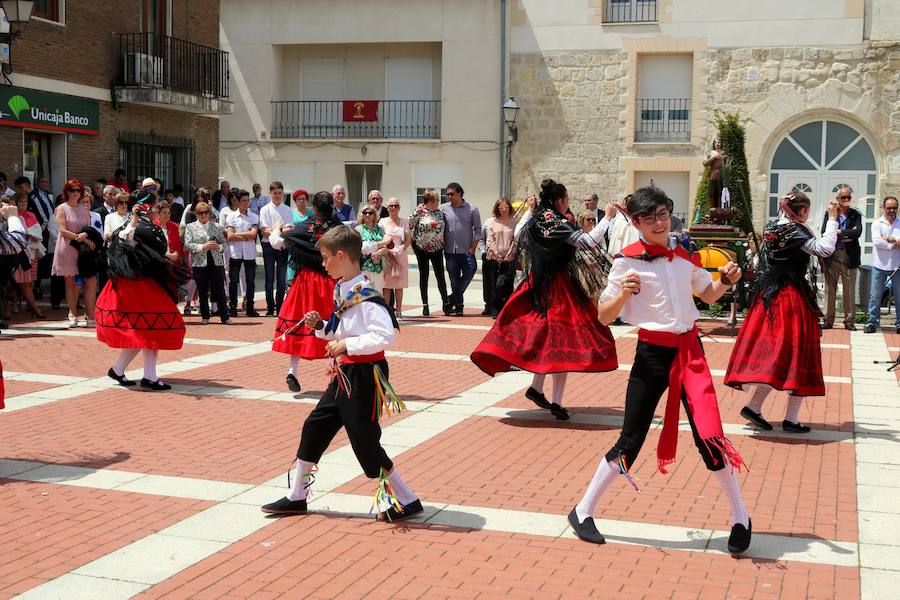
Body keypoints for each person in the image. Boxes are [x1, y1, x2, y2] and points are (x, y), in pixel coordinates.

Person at [570, 185, 751, 555]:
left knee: (709, 436)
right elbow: (604, 317)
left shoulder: (685, 254)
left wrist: (727, 280)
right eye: (649, 218)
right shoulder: (626, 260)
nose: (658, 222)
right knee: (631, 439)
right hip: (651, 354)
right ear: (635, 222)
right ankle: (583, 510)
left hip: (690, 353)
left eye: (663, 214)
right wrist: (623, 294)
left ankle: (740, 517)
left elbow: (710, 294)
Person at [260, 226, 422, 521]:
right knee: (315, 427)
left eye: (324, 258)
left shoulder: (367, 294)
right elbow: (340, 330)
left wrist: (347, 344)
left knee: (364, 441)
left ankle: (408, 499)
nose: (322, 264)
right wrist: (320, 325)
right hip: (346, 374)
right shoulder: (344, 289)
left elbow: (385, 336)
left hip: (364, 375)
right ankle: (297, 496)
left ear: (341, 256)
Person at [471, 179, 617, 421]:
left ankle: (538, 389)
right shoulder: (557, 221)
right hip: (558, 287)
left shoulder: (538, 218)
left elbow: (518, 234)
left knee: (545, 341)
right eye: (567, 201)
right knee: (562, 342)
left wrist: (529, 211)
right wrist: (608, 218)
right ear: (560, 201)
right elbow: (587, 242)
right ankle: (555, 401)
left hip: (536, 284)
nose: (567, 205)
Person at [726, 192, 839, 433]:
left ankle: (756, 408)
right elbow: (825, 248)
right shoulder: (795, 231)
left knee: (779, 356)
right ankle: (790, 418)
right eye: (806, 210)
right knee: (799, 355)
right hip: (791, 298)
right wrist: (832, 218)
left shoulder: (775, 227)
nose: (807, 215)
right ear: (801, 211)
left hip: (771, 296)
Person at [96, 195, 185, 391]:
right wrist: (134, 219)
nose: (151, 210)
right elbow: (125, 238)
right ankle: (150, 377)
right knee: (153, 326)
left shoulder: (152, 228)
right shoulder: (132, 225)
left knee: (143, 329)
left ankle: (118, 370)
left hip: (146, 284)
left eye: (151, 207)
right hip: (135, 286)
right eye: (148, 207)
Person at [269, 191, 342, 392]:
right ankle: (334, 374)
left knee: (301, 323)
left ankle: (292, 371)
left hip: (306, 282)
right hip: (330, 281)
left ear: (315, 207)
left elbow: (277, 243)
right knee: (334, 326)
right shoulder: (337, 228)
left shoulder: (305, 227)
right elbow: (359, 248)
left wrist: (276, 230)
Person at [52, 179, 97, 328]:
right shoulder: (61, 208)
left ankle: (90, 315)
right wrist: (83, 239)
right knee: (70, 283)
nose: (75, 193)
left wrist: (86, 238)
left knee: (88, 281)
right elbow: (63, 230)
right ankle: (73, 314)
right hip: (67, 248)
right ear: (67, 192)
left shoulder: (84, 209)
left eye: (78, 190)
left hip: (83, 252)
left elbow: (89, 229)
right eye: (72, 190)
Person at [820, 185, 862, 330]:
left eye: (848, 197)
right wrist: (847, 234)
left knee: (849, 289)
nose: (846, 200)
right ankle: (828, 319)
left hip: (849, 256)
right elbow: (825, 232)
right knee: (830, 288)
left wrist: (839, 232)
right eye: (843, 197)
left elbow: (857, 234)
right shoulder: (830, 213)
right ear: (837, 199)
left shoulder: (855, 214)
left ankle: (849, 321)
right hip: (832, 255)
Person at [184, 201, 231, 325]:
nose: (204, 215)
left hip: (216, 261)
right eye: (201, 213)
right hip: (200, 262)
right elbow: (188, 244)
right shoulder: (191, 227)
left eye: (206, 212)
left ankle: (225, 317)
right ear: (196, 214)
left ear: (209, 213)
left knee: (219, 289)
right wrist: (202, 246)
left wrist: (218, 247)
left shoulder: (217, 226)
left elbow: (224, 243)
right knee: (202, 290)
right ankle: (205, 316)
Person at [440, 182, 481, 315]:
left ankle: (451, 300)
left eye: (451, 194)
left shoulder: (472, 209)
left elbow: (478, 229)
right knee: (454, 280)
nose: (449, 197)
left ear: (459, 193)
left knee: (471, 270)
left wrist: (473, 247)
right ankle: (458, 306)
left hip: (467, 251)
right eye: (447, 194)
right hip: (450, 252)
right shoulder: (443, 209)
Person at [408, 188, 449, 316]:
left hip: (437, 248)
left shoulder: (440, 213)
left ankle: (445, 303)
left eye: (438, 199)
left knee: (440, 276)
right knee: (424, 276)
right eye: (436, 199)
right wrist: (413, 243)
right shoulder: (419, 211)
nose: (438, 202)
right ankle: (425, 305)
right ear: (429, 201)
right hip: (422, 248)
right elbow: (409, 224)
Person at [865, 196, 900, 334]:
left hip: (897, 266)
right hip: (879, 265)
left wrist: (890, 239)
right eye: (889, 208)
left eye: (894, 207)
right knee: (875, 296)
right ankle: (872, 322)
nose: (892, 210)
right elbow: (877, 242)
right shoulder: (877, 223)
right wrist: (895, 245)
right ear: (883, 208)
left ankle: (899, 324)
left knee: (899, 296)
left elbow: (884, 241)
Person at [259, 181, 294, 317]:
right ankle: (270, 307)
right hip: (268, 245)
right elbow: (263, 230)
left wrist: (276, 230)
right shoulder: (265, 209)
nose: (277, 196)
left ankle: (280, 307)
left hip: (282, 245)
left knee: (281, 278)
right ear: (270, 194)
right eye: (275, 193)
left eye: (280, 193)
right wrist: (279, 229)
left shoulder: (287, 209)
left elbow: (289, 228)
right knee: (269, 278)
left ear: (282, 193)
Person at [28, 175, 62, 309]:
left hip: (48, 228)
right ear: (38, 182)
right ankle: (36, 287)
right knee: (40, 260)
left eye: (47, 182)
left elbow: (49, 210)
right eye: (43, 181)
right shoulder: (34, 195)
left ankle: (38, 286)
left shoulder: (48, 195)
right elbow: (43, 215)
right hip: (43, 231)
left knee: (44, 260)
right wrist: (42, 230)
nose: (45, 184)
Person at [226, 189, 260, 317]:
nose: (246, 203)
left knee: (250, 281)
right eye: (244, 201)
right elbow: (229, 236)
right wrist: (246, 235)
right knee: (233, 281)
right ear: (238, 202)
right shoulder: (231, 217)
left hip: (250, 254)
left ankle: (250, 307)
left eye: (248, 200)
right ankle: (233, 307)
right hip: (235, 253)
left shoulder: (254, 216)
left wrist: (237, 234)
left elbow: (253, 234)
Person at [11, 192, 45, 319]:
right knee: (21, 280)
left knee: (29, 280)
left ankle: (28, 305)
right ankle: (31, 307)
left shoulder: (31, 215)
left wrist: (30, 234)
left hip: (32, 251)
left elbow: (38, 232)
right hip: (19, 251)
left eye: (25, 201)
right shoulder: (13, 216)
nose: (24, 203)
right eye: (21, 201)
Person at [484, 198, 517, 318]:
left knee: (507, 284)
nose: (503, 210)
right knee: (495, 285)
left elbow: (515, 240)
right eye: (501, 207)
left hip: (509, 259)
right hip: (494, 258)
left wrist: (509, 254)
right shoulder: (492, 222)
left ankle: (507, 309)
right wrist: (497, 254)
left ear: (509, 208)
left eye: (506, 207)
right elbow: (490, 239)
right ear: (497, 209)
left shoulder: (514, 223)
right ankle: (494, 309)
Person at [380, 198, 410, 319]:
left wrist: (402, 248)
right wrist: (386, 250)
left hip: (400, 254)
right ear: (387, 208)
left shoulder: (404, 222)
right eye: (391, 206)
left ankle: (399, 311)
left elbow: (408, 239)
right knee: (386, 285)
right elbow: (379, 237)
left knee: (399, 285)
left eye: (396, 206)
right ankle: (387, 312)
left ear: (399, 208)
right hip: (387, 254)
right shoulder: (382, 222)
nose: (393, 208)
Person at [356, 205, 387, 291]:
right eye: (365, 213)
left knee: (377, 294)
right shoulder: (358, 230)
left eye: (370, 213)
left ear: (374, 215)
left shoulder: (380, 230)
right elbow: (357, 248)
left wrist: (378, 253)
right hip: (363, 267)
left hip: (377, 267)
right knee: (363, 294)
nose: (367, 215)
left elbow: (386, 248)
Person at [703, 138, 727, 209]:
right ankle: (712, 208)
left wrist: (724, 158)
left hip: (721, 175)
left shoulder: (724, 153)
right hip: (712, 174)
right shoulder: (710, 153)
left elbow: (727, 164)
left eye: (719, 142)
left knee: (720, 192)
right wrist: (713, 158)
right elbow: (705, 163)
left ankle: (720, 207)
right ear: (713, 144)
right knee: (712, 192)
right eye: (716, 143)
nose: (717, 144)